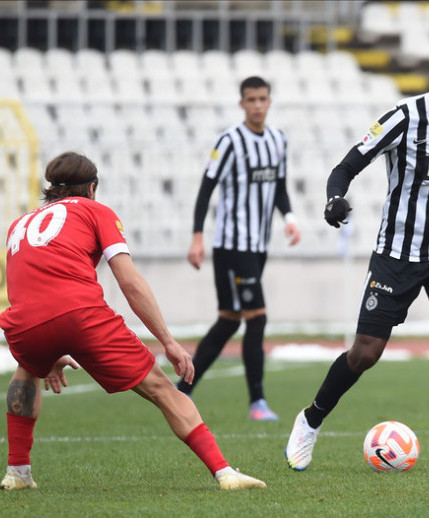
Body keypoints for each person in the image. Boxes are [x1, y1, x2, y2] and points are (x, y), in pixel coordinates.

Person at [285, 40, 429, 472]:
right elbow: (346, 166)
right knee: (365, 352)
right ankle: (310, 419)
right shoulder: (404, 117)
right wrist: (335, 198)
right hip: (398, 253)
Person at [0, 152, 265, 490]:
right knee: (160, 388)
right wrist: (167, 340)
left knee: (25, 373)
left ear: (51, 189)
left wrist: (43, 350)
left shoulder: (18, 224)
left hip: (21, 322)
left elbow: (28, 285)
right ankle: (225, 472)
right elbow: (129, 281)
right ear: (92, 188)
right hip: (81, 314)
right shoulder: (97, 210)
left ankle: (17, 474)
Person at [177, 75, 300, 421]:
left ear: (269, 101)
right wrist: (197, 236)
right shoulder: (229, 141)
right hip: (232, 246)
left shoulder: (277, 140)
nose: (258, 105)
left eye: (263, 99)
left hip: (259, 245)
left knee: (229, 321)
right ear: (242, 103)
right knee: (257, 318)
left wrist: (289, 217)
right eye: (251, 100)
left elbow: (279, 187)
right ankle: (257, 403)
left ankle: (181, 390)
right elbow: (206, 189)